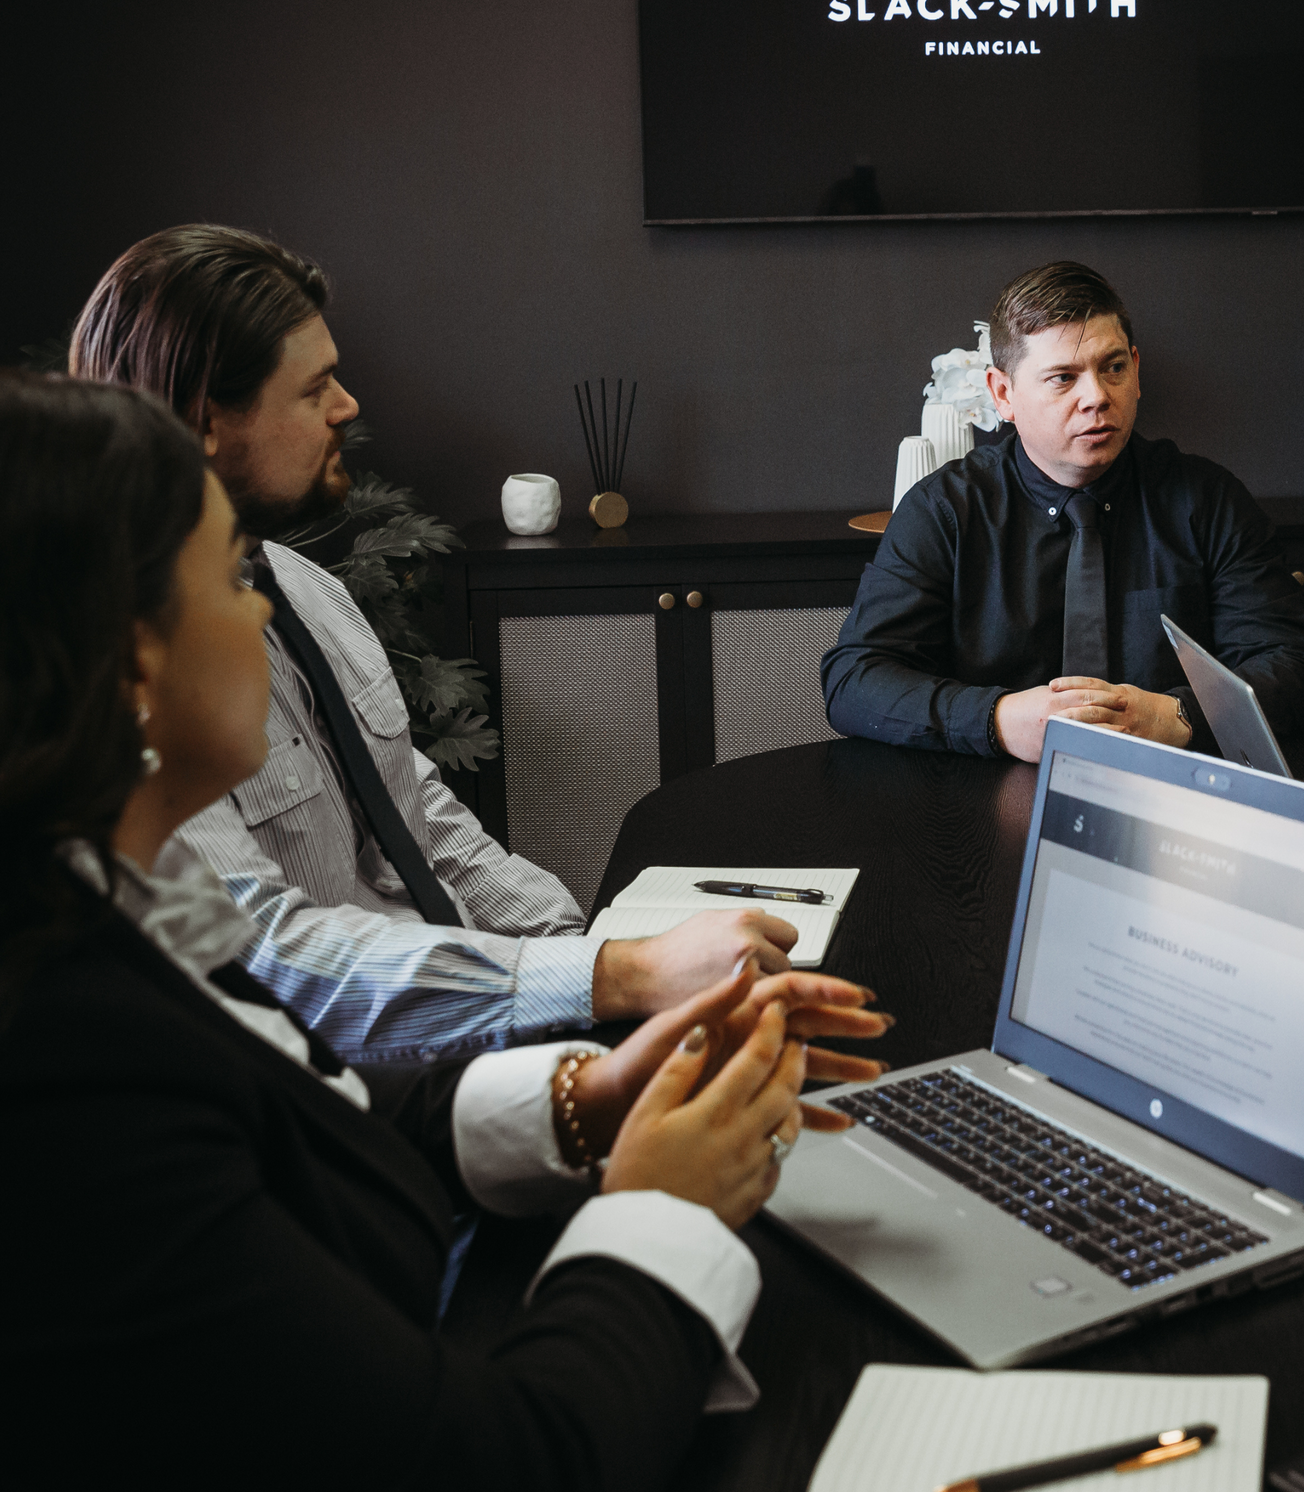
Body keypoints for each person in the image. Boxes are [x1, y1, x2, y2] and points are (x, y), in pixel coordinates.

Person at [0, 370, 890, 1489]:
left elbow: (308, 1112)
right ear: (136, 658)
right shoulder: (64, 1073)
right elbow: (504, 1463)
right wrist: (664, 1207)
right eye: (228, 575)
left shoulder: (102, 902)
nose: (260, 608)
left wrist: (586, 1100)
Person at [71, 225, 795, 1061]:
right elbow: (268, 958)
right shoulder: (125, 682)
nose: (348, 406)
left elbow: (421, 822)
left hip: (483, 1024)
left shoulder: (309, 591)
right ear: (206, 422)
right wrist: (614, 975)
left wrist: (587, 955)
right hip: (359, 1079)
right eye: (315, 390)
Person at [822, 261, 1304, 761]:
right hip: (985, 802)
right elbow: (855, 680)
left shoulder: (1208, 500)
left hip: (1173, 796)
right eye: (1063, 378)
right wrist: (996, 720)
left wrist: (1177, 715)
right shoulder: (945, 509)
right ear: (1003, 394)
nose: (1097, 398)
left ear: (1135, 368)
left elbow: (1296, 671)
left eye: (1113, 368)